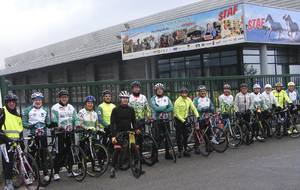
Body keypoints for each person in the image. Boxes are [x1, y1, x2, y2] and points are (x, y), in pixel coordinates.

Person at [51, 90, 81, 181]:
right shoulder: (55, 108)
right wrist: (59, 128)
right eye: (62, 97)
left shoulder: (71, 107)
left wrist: (78, 126)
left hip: (70, 133)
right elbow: (54, 120)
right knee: (58, 152)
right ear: (59, 98)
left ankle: (70, 171)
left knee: (70, 152)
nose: (64, 99)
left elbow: (76, 118)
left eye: (66, 97)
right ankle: (56, 173)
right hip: (60, 133)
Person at [22, 92, 51, 182]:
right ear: (33, 101)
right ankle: (29, 174)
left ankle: (46, 173)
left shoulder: (45, 110)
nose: (38, 102)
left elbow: (47, 122)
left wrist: (52, 125)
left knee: (43, 154)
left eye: (39, 100)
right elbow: (23, 123)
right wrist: (30, 126)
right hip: (32, 136)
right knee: (31, 154)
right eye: (36, 100)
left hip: (42, 135)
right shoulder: (27, 110)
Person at [110, 91, 140, 178]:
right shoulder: (115, 110)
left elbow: (133, 122)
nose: (125, 100)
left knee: (135, 146)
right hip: (119, 132)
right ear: (120, 99)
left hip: (129, 131)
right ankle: (112, 168)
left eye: (126, 98)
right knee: (117, 149)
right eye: (123, 98)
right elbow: (112, 124)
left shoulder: (131, 109)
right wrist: (113, 136)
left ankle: (137, 164)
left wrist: (136, 129)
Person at [0, 94, 23, 190]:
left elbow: (20, 127)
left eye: (13, 102)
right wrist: (5, 138)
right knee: (7, 163)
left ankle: (14, 181)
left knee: (16, 161)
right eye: (9, 102)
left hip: (15, 142)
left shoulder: (17, 113)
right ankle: (8, 183)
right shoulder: (2, 112)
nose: (11, 104)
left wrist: (21, 139)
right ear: (7, 103)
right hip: (5, 142)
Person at [149, 83, 174, 159]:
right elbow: (156, 109)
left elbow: (172, 108)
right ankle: (154, 156)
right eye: (158, 89)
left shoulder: (167, 98)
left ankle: (167, 154)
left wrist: (161, 109)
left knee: (167, 137)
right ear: (156, 91)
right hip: (157, 121)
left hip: (165, 120)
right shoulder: (153, 99)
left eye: (161, 89)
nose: (159, 91)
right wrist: (166, 107)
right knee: (156, 138)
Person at [174, 87, 200, 158]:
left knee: (185, 135)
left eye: (185, 93)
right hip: (178, 120)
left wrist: (198, 116)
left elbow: (193, 108)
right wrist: (184, 121)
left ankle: (185, 150)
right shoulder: (177, 101)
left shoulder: (188, 100)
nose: (184, 95)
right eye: (183, 93)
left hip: (185, 118)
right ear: (181, 94)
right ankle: (179, 151)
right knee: (179, 136)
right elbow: (177, 114)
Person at [193, 85, 214, 153]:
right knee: (198, 133)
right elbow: (194, 108)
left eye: (204, 91)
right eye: (201, 91)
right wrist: (201, 110)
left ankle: (207, 147)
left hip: (207, 118)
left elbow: (212, 106)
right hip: (199, 118)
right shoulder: (196, 99)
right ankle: (196, 147)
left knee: (208, 133)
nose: (203, 92)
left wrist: (210, 109)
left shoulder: (208, 98)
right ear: (199, 92)